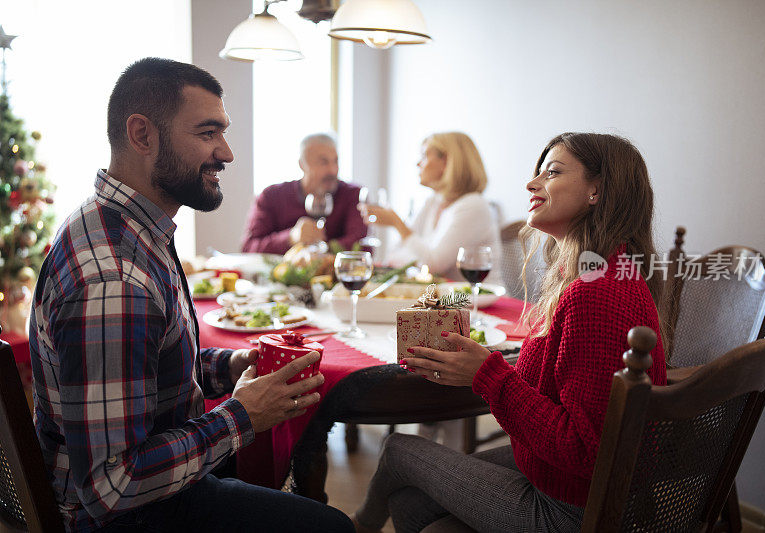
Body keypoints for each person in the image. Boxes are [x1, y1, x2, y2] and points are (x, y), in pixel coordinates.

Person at [28, 58, 353, 533]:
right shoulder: (115, 280)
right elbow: (113, 486)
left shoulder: (125, 227)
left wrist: (231, 366)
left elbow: (147, 373)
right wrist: (243, 415)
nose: (227, 152)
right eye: (207, 133)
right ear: (142, 135)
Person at [351, 132, 668, 533]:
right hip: (559, 480)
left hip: (573, 510)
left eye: (551, 172)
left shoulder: (597, 294)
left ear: (596, 191)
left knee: (398, 451)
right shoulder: (591, 274)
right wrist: (486, 370)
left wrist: (487, 374)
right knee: (411, 501)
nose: (531, 184)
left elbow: (586, 450)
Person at [359, 131, 502, 284]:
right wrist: (416, 257)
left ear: (447, 162)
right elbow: (394, 256)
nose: (418, 163)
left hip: (481, 301)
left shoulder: (473, 206)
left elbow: (432, 264)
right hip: (447, 299)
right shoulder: (433, 202)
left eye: (425, 155)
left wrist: (397, 223)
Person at [241, 133, 367, 254]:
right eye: (323, 162)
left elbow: (363, 246)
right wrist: (291, 238)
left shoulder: (353, 195)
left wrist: (317, 252)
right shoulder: (271, 196)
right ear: (302, 164)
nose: (333, 170)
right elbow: (248, 247)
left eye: (335, 161)